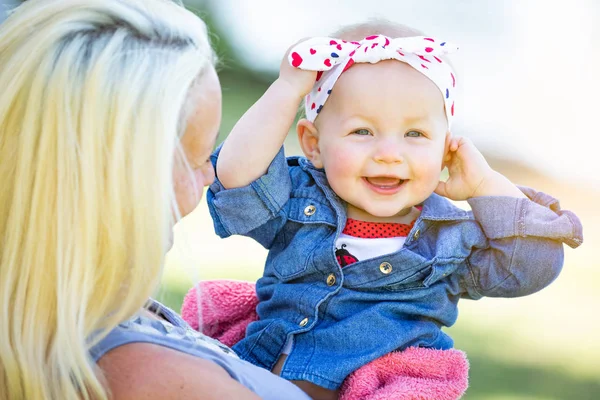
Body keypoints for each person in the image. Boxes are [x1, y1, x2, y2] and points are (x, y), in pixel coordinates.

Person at [206, 20, 583, 399]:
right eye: (362, 132)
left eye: (415, 134)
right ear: (314, 144)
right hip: (266, 373)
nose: (389, 154)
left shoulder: (449, 236)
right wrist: (287, 89)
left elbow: (532, 265)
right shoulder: (297, 203)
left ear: (446, 148)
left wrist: (485, 185)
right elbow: (239, 185)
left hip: (385, 386)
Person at [0, 0, 312, 399]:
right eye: (198, 158)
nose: (210, 175)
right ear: (131, 179)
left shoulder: (65, 317)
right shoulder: (157, 378)